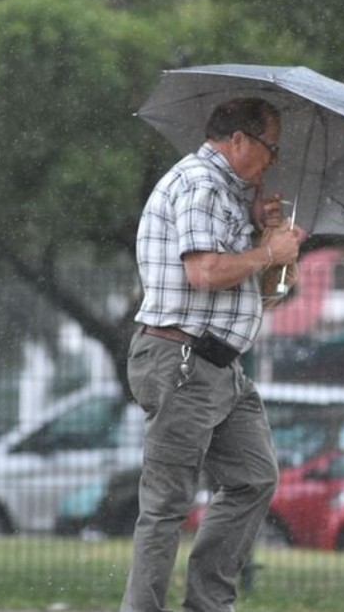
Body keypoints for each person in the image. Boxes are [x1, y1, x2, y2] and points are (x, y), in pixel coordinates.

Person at [122, 97, 306, 612]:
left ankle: (207, 603)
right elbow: (202, 273)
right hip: (181, 359)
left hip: (223, 368)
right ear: (239, 140)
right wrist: (268, 251)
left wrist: (272, 240)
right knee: (166, 506)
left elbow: (268, 293)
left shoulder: (232, 197)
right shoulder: (200, 184)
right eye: (270, 147)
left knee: (254, 477)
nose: (273, 159)